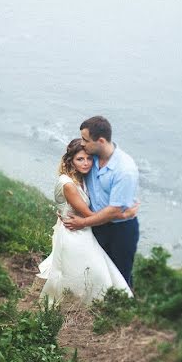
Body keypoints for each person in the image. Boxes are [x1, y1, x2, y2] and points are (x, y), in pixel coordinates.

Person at [37, 138, 136, 304]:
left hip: (82, 230)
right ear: (70, 161)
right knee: (94, 271)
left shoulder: (82, 178)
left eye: (89, 159)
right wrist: (124, 215)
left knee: (93, 270)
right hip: (74, 233)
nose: (86, 163)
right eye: (80, 159)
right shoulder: (68, 184)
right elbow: (90, 215)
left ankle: (97, 301)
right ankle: (91, 304)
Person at [64, 116, 140, 288]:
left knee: (120, 274)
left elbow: (113, 211)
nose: (82, 143)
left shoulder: (125, 169)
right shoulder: (91, 157)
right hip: (97, 224)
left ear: (101, 141)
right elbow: (71, 161)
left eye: (85, 140)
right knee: (99, 269)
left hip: (121, 229)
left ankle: (123, 309)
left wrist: (83, 222)